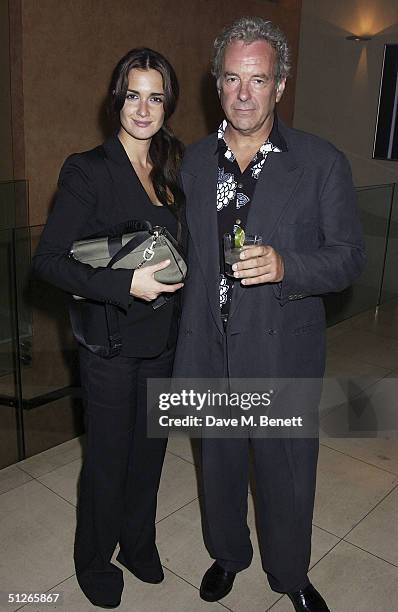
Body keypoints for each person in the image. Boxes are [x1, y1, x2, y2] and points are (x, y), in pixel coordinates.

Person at [172, 17, 366, 612]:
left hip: (283, 350)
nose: (244, 93)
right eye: (232, 79)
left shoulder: (321, 163)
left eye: (258, 80)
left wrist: (287, 266)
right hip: (212, 348)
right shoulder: (195, 164)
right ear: (217, 84)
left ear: (280, 84)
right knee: (220, 469)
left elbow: (348, 259)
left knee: (285, 477)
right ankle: (228, 556)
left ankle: (290, 576)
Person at [33, 48, 185, 608]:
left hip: (161, 343)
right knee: (107, 461)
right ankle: (93, 560)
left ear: (167, 105)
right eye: (132, 94)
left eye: (155, 96)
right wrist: (126, 286)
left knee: (149, 454)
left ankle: (138, 545)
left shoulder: (168, 166)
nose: (143, 108)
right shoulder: (88, 169)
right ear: (115, 99)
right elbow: (48, 260)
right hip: (112, 345)